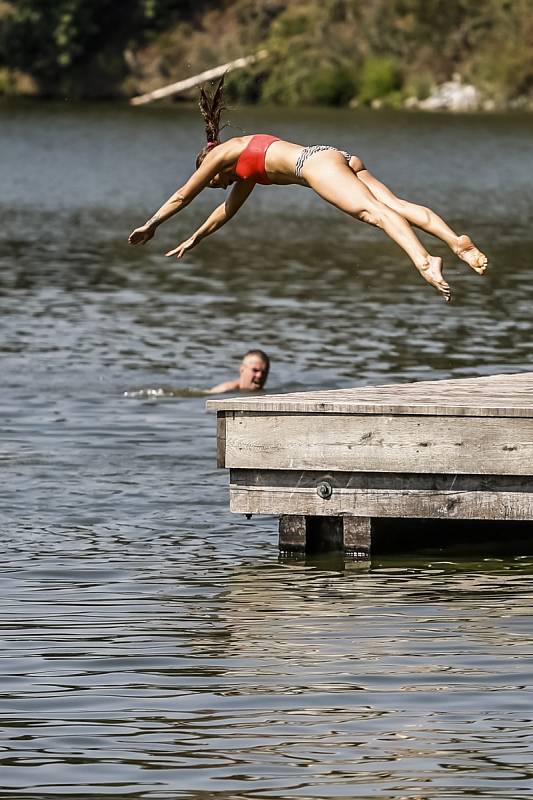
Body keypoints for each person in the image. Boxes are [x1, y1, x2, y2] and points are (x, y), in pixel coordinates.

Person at [129, 77, 487, 302]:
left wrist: (152, 224)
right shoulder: (245, 171)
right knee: (396, 205)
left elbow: (181, 194)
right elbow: (225, 212)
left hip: (314, 167)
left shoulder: (224, 153)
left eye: (213, 183)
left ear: (210, 169)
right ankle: (456, 242)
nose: (217, 187)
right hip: (335, 156)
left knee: (375, 214)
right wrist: (195, 238)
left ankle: (426, 262)